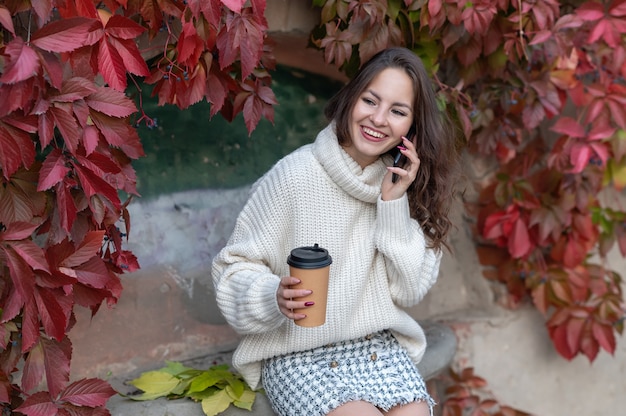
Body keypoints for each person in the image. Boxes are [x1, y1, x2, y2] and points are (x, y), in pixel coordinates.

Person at [211, 47, 460, 416]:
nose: (378, 118)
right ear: (351, 99)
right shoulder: (294, 175)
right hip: (297, 353)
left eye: (397, 111)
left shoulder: (407, 185)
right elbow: (231, 270)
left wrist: (392, 205)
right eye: (370, 101)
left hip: (375, 347)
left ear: (412, 126)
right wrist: (271, 296)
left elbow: (409, 291)